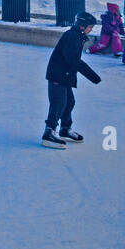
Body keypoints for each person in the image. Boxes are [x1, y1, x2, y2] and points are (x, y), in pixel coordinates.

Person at [42, 12, 102, 148]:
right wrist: (93, 76)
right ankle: (49, 132)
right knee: (58, 104)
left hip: (65, 75)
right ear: (82, 26)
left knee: (69, 102)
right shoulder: (71, 37)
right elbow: (73, 60)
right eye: (90, 27)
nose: (91, 29)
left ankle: (64, 128)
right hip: (58, 75)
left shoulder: (78, 36)